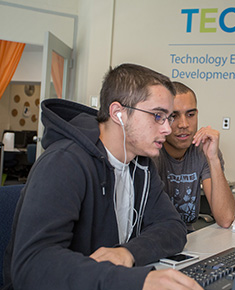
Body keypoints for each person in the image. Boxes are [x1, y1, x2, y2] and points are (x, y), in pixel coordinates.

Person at [2, 64, 202, 290]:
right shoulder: (64, 162)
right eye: (158, 116)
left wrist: (127, 252)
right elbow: (33, 265)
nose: (167, 128)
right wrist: (137, 281)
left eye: (168, 117)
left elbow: (172, 227)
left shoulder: (140, 163)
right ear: (118, 113)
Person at [153, 82, 235, 232]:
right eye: (173, 116)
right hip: (159, 239)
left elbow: (225, 219)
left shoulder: (202, 150)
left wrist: (213, 159)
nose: (184, 124)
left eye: (190, 115)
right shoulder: (152, 152)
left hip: (189, 238)